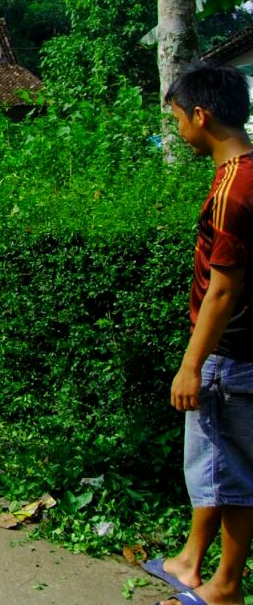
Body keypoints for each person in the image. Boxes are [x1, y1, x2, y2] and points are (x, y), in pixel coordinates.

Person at [147, 62, 251, 605]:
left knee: (227, 472)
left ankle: (224, 587)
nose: (177, 128)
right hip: (238, 351)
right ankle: (192, 563)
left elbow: (222, 290)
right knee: (219, 465)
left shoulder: (235, 187)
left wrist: (192, 364)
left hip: (231, 353)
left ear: (201, 115)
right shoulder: (245, 172)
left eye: (178, 118)